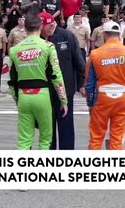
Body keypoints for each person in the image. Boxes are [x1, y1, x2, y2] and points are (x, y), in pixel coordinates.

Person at [8, 15, 68, 150]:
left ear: (25, 28)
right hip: (42, 95)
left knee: (24, 141)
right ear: (41, 27)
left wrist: (17, 99)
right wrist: (63, 100)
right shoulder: (48, 46)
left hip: (23, 95)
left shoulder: (14, 49)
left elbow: (11, 80)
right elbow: (56, 75)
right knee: (46, 139)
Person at [83, 21, 125, 150]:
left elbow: (89, 83)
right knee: (116, 139)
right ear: (119, 35)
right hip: (122, 99)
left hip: (102, 99)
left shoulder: (95, 54)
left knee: (96, 137)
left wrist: (90, 103)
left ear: (104, 35)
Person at [39, 12, 85, 150]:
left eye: (42, 26)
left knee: (66, 127)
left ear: (51, 23)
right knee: (48, 128)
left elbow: (79, 62)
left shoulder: (67, 36)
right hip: (45, 91)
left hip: (65, 89)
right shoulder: (38, 38)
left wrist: (82, 85)